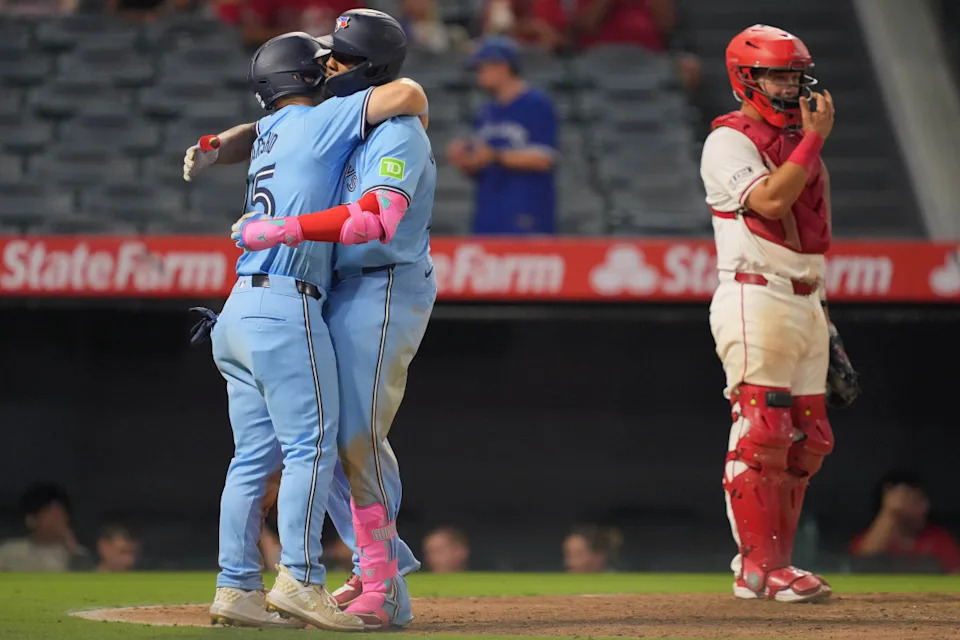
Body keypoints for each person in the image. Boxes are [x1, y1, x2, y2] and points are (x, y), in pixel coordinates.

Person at [186, 9, 433, 630]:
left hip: (380, 285)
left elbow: (377, 217)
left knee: (351, 436)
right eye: (323, 60)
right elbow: (273, 121)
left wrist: (282, 225)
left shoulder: (396, 129)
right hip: (314, 291)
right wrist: (222, 143)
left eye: (339, 58)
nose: (328, 67)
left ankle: (373, 578)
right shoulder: (327, 120)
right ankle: (367, 569)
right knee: (322, 440)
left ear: (365, 68)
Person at [699, 24, 853, 602]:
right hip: (754, 293)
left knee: (807, 440)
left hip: (806, 296)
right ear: (746, 78)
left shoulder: (797, 140)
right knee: (762, 430)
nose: (788, 87)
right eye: (776, 76)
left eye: (794, 76)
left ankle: (778, 568)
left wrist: (825, 318)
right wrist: (814, 140)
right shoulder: (728, 140)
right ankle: (756, 567)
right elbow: (768, 200)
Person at [446, 36, 558, 234]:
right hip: (489, 212)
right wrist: (466, 162)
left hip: (527, 211)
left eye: (482, 69)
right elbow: (483, 165)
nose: (479, 76)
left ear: (502, 66)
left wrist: (495, 156)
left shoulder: (536, 104)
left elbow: (544, 158)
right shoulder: (485, 112)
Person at [850, 470, 960, 574]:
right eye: (914, 501)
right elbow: (862, 563)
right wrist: (890, 513)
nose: (924, 508)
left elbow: (956, 574)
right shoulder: (869, 538)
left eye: (923, 499)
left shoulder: (939, 539)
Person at [0, 484, 93, 572]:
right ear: (31, 519)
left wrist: (74, 550)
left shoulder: (79, 555)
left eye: (61, 514)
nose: (57, 520)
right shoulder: (9, 552)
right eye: (50, 514)